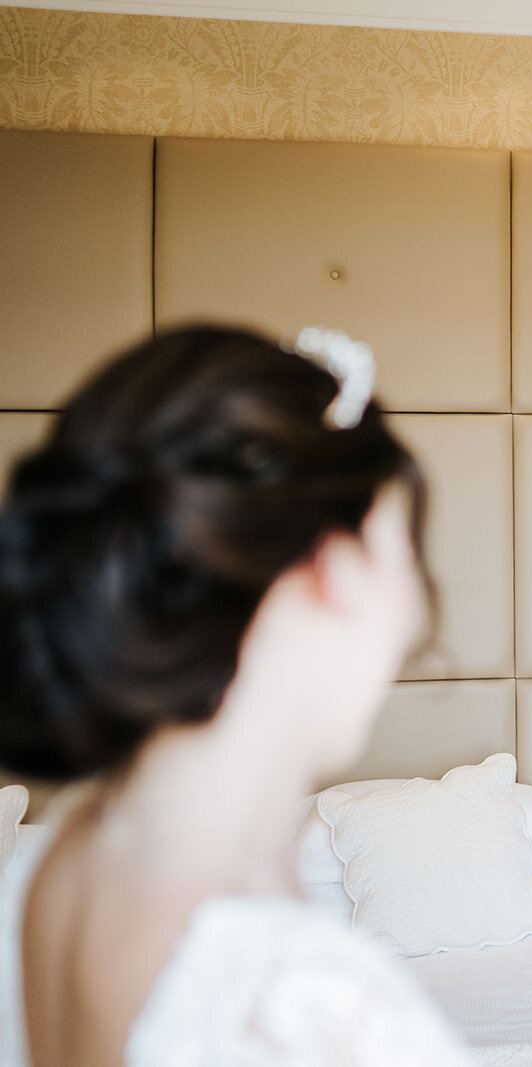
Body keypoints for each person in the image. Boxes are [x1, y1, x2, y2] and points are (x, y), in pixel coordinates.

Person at [0, 325, 474, 1066]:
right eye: (404, 546)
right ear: (331, 564)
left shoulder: (59, 853)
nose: (415, 610)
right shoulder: (303, 1002)